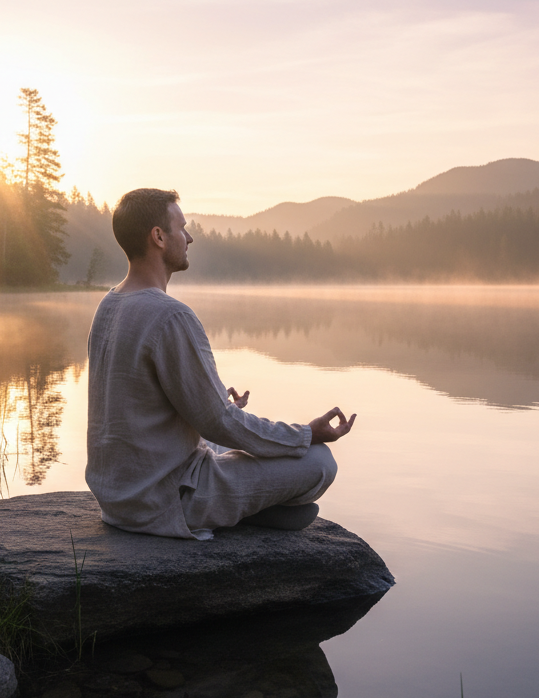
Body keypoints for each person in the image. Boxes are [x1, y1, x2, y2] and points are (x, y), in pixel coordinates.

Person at [86, 187, 355, 540]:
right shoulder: (170, 316)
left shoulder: (109, 305)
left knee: (233, 444)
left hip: (119, 498)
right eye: (182, 228)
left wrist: (212, 402)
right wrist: (306, 434)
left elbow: (138, 405)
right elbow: (221, 423)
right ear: (159, 237)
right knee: (320, 462)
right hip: (168, 500)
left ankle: (256, 505)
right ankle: (252, 510)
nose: (190, 236)